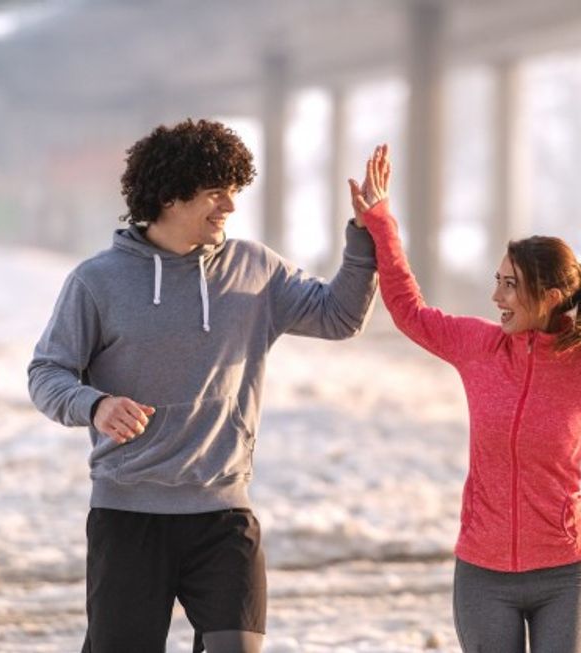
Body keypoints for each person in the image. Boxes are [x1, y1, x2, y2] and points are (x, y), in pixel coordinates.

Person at [27, 118, 378, 653]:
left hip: (222, 515)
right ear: (170, 196)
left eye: (234, 192)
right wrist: (94, 406)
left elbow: (339, 317)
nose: (230, 207)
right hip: (128, 516)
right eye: (217, 193)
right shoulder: (96, 282)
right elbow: (47, 372)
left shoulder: (255, 269)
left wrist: (365, 236)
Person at [348, 145, 581, 653]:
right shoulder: (480, 348)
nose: (497, 298)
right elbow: (409, 311)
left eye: (510, 286)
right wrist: (383, 224)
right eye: (497, 282)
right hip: (483, 575)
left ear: (550, 295)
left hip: (564, 575)